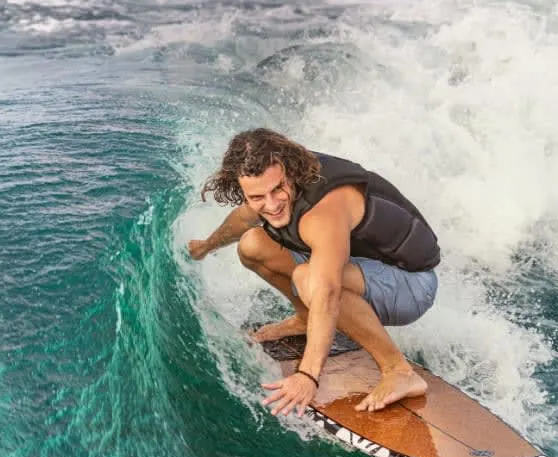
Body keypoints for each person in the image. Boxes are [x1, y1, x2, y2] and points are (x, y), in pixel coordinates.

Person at [188, 128, 440, 417]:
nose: (271, 204)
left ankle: (398, 371)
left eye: (278, 189)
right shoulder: (267, 186)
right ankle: (306, 319)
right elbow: (242, 221)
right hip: (364, 270)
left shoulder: (323, 211)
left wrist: (308, 375)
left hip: (412, 285)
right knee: (252, 245)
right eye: (257, 197)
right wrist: (206, 246)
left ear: (289, 171)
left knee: (309, 279)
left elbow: (327, 291)